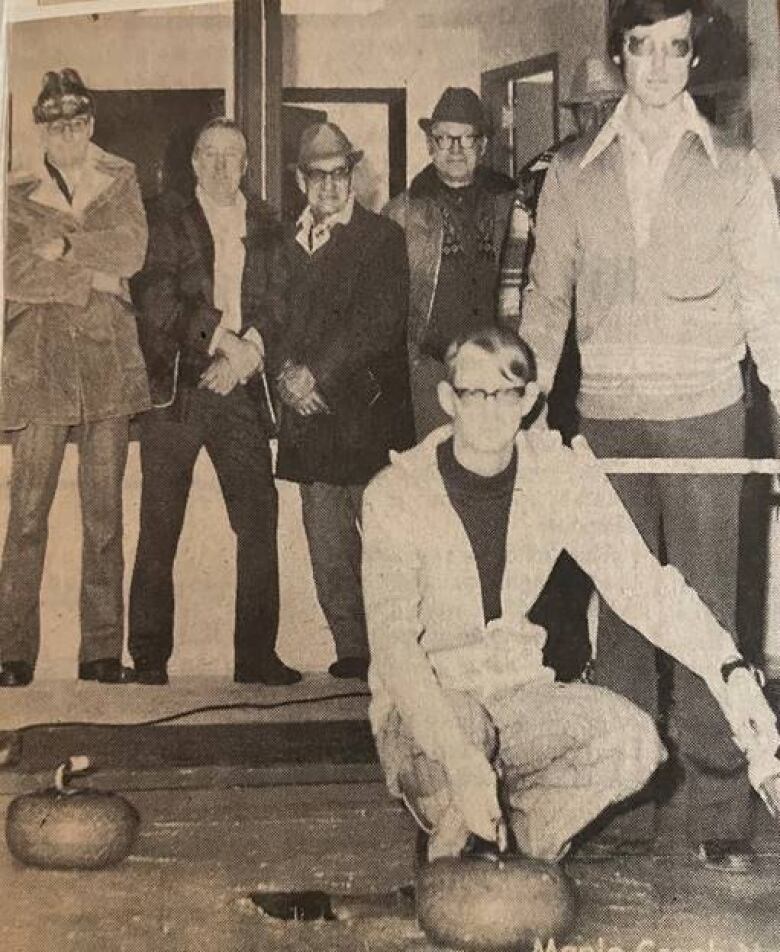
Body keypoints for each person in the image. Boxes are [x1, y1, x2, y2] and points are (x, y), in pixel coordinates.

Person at [520, 0, 780, 867]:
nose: (661, 66)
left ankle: (716, 810)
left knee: (709, 611)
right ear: (620, 56)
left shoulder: (738, 170)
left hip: (708, 415)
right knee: (623, 621)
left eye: (677, 48)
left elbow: (768, 312)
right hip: (608, 418)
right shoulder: (569, 173)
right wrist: (513, 405)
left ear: (693, 57)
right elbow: (546, 305)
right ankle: (619, 793)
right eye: (643, 48)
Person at [361, 328, 778, 868]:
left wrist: (730, 673)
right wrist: (463, 761)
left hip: (516, 699)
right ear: (448, 400)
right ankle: (459, 839)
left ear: (530, 400)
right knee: (464, 730)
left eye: (507, 394)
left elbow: (643, 584)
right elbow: (395, 649)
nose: (490, 411)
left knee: (633, 740)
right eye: (473, 394)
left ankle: (507, 850)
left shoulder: (559, 475)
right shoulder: (395, 496)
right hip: (428, 715)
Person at [128, 118, 300, 687]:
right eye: (211, 155)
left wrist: (248, 355)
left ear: (247, 164)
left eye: (234, 155)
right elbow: (156, 300)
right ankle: (149, 659)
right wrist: (224, 341)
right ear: (195, 162)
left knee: (259, 515)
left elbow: (282, 301)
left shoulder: (269, 221)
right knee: (160, 523)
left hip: (239, 387)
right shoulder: (166, 216)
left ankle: (255, 657)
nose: (223, 166)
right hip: (179, 386)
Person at [0, 69, 150, 688]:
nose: (69, 134)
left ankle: (100, 651)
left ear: (91, 125)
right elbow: (11, 274)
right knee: (27, 513)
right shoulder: (13, 190)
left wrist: (61, 251)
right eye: (57, 125)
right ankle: (11, 649)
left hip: (108, 370)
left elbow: (132, 253)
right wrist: (91, 278)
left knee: (104, 516)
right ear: (41, 128)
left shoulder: (121, 177)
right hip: (38, 370)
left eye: (79, 123)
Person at [273, 123, 414, 682]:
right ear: (301, 180)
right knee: (326, 539)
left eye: (339, 173)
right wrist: (286, 374)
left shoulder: (382, 238)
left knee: (383, 539)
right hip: (306, 416)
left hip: (364, 413)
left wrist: (317, 377)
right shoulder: (285, 243)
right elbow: (272, 317)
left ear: (352, 174)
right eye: (317, 175)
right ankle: (352, 649)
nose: (329, 185)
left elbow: (377, 324)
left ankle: (395, 650)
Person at [384, 87, 523, 439]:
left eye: (466, 138)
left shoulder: (511, 205)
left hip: (497, 367)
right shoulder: (401, 213)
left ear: (484, 145)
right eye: (444, 139)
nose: (456, 150)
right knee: (436, 467)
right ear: (430, 145)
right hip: (431, 371)